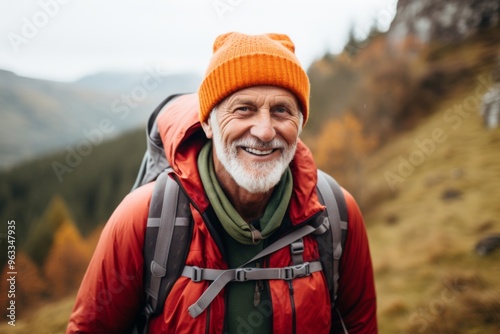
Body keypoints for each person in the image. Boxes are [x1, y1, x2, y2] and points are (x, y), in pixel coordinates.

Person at [67, 32, 377, 333]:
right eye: (244, 109)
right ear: (207, 123)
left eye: (282, 110)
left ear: (300, 125)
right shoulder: (144, 217)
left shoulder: (337, 214)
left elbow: (360, 327)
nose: (265, 131)